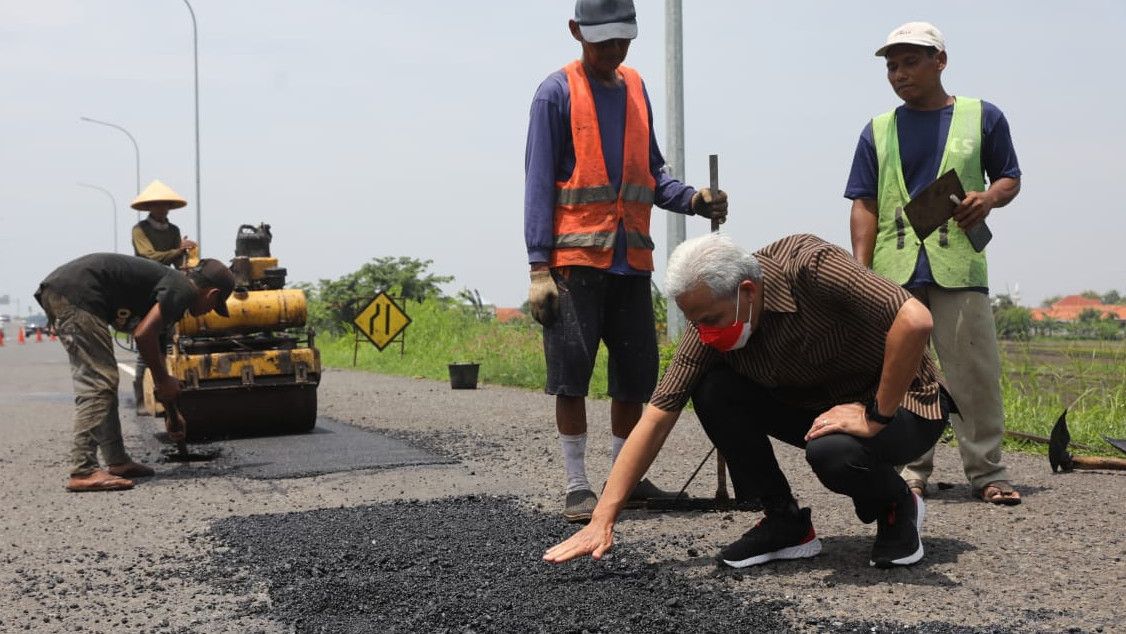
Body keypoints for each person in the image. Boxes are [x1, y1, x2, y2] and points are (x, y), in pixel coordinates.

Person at [544, 233, 951, 568]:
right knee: (713, 387)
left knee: (831, 453)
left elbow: (915, 320)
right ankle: (784, 522)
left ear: (748, 291)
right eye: (694, 322)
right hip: (820, 409)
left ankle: (899, 505)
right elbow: (657, 416)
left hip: (903, 405)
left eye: (711, 320)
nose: (704, 333)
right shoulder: (712, 313)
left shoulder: (810, 265)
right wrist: (603, 519)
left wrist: (874, 415)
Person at [524, 0, 728, 522]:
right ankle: (576, 485)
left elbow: (653, 173)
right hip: (573, 264)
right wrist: (538, 267)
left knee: (634, 377)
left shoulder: (636, 88)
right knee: (571, 375)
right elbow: (539, 180)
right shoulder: (556, 92)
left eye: (624, 39)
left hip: (631, 261)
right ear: (576, 31)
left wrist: (694, 199)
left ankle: (625, 478)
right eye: (604, 41)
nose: (615, 50)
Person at [845, 22, 1022, 505]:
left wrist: (988, 199)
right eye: (891, 66)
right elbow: (863, 202)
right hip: (893, 270)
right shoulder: (877, 130)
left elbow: (1010, 177)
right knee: (900, 372)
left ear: (939, 60)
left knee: (973, 369)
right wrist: (861, 272)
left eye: (910, 62)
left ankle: (987, 472)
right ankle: (909, 469)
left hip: (958, 263)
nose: (898, 74)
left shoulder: (982, 117)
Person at [35, 254, 235, 492]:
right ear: (211, 294)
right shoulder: (183, 290)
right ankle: (83, 469)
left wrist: (172, 413)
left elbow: (156, 355)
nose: (209, 312)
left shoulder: (171, 294)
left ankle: (117, 461)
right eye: (215, 306)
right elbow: (143, 335)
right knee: (99, 382)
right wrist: (162, 380)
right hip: (76, 292)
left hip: (68, 289)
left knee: (104, 380)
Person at [129, 179, 198, 415]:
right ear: (150, 208)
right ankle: (140, 395)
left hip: (166, 285)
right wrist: (178, 249)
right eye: (158, 206)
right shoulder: (140, 230)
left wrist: (186, 255)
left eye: (165, 205)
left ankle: (170, 391)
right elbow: (148, 257)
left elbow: (176, 262)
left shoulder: (174, 230)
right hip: (144, 286)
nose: (162, 209)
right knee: (145, 346)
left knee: (170, 342)